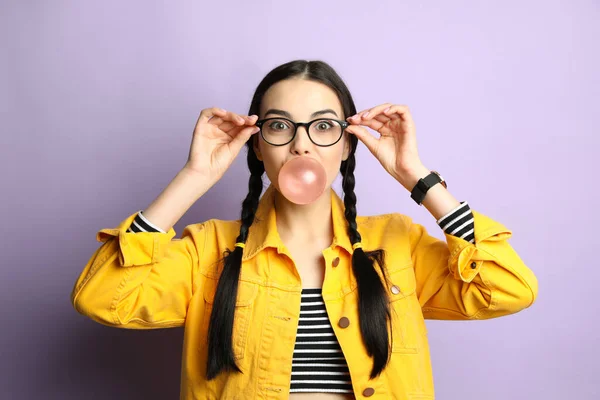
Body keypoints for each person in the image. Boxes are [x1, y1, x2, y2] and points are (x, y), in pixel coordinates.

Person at [70, 60, 538, 399]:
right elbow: (104, 297)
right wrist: (194, 177)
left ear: (349, 145)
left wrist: (417, 177)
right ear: (256, 147)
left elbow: (507, 288)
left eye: (323, 126)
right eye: (279, 126)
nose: (300, 145)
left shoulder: (398, 245)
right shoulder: (208, 249)